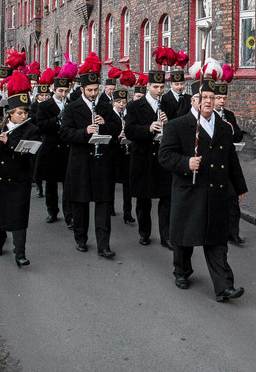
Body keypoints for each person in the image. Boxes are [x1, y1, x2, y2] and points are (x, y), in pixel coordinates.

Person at [159, 78, 247, 301]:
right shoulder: (177, 125)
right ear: (193, 100)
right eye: (202, 98)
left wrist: (239, 187)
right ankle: (182, 271)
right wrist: (185, 163)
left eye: (211, 97)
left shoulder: (223, 128)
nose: (207, 101)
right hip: (190, 190)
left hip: (216, 191)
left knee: (217, 240)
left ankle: (224, 286)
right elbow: (165, 156)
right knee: (185, 237)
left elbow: (231, 160)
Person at [0, 72, 41, 266]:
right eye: (20, 112)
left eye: (26, 112)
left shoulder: (32, 130)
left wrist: (9, 143)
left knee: (18, 217)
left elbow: (29, 152)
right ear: (9, 113)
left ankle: (20, 252)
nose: (24, 116)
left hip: (18, 179)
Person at [59, 61, 120, 256]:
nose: (93, 94)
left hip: (101, 162)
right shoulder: (72, 107)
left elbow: (117, 127)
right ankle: (81, 238)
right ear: (83, 89)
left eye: (96, 90)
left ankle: (104, 245)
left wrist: (104, 126)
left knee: (103, 203)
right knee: (80, 203)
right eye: (90, 90)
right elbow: (65, 133)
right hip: (80, 162)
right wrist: (85, 132)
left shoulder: (104, 106)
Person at [124, 69, 173, 248]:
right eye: (156, 87)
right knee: (143, 200)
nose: (159, 90)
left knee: (166, 198)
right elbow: (129, 131)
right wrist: (148, 128)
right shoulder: (134, 106)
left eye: (162, 87)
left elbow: (176, 130)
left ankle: (165, 235)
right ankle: (144, 232)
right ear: (148, 86)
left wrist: (168, 124)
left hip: (162, 159)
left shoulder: (167, 105)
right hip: (143, 158)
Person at [35, 69, 72, 226]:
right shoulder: (44, 106)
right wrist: (56, 120)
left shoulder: (71, 105)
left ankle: (69, 215)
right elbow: (40, 125)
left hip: (66, 148)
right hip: (50, 148)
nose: (63, 94)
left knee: (68, 184)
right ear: (53, 90)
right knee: (50, 184)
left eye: (65, 91)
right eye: (60, 91)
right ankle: (52, 211)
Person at [214, 81, 245, 246]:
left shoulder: (229, 115)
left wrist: (231, 130)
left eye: (224, 98)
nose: (222, 101)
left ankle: (234, 234)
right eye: (218, 98)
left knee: (233, 201)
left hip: (229, 163)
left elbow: (239, 135)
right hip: (213, 164)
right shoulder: (207, 115)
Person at [109, 87, 134, 224]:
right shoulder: (109, 115)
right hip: (113, 152)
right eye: (118, 102)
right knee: (111, 181)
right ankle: (111, 206)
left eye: (124, 102)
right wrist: (116, 136)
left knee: (127, 183)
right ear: (113, 102)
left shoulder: (129, 115)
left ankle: (127, 212)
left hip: (126, 152)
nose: (121, 105)